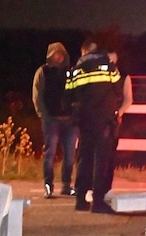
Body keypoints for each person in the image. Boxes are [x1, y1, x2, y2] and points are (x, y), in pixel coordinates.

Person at [66, 37, 122, 214]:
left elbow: (68, 96)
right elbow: (118, 90)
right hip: (104, 119)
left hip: (84, 120)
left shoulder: (75, 70)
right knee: (101, 161)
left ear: (84, 52)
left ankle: (80, 199)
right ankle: (98, 201)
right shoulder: (107, 66)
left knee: (84, 159)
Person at [32, 42, 77, 199]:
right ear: (50, 55)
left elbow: (76, 93)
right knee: (49, 154)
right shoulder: (43, 72)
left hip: (70, 121)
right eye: (55, 54)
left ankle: (66, 185)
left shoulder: (71, 72)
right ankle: (48, 186)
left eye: (61, 54)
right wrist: (43, 115)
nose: (58, 57)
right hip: (51, 120)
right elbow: (37, 94)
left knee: (70, 155)